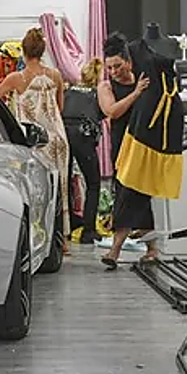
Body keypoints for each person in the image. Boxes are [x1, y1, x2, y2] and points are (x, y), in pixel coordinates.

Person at [0, 27, 72, 250]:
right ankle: (62, 241)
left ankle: (35, 238)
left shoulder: (16, 79)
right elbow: (60, 107)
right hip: (57, 139)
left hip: (33, 142)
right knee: (60, 190)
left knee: (33, 191)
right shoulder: (55, 75)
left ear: (23, 51)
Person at [98, 33, 152, 269]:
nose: (114, 72)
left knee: (142, 193)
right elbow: (112, 111)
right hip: (121, 148)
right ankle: (118, 249)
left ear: (128, 61)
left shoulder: (143, 80)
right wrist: (136, 93)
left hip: (145, 145)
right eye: (109, 67)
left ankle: (124, 250)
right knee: (124, 193)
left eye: (118, 66)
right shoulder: (106, 86)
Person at [63, 58, 105, 243]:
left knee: (65, 183)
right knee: (93, 183)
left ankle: (67, 225)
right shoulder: (97, 93)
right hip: (84, 137)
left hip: (65, 134)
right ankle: (88, 230)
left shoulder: (69, 91)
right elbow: (107, 112)